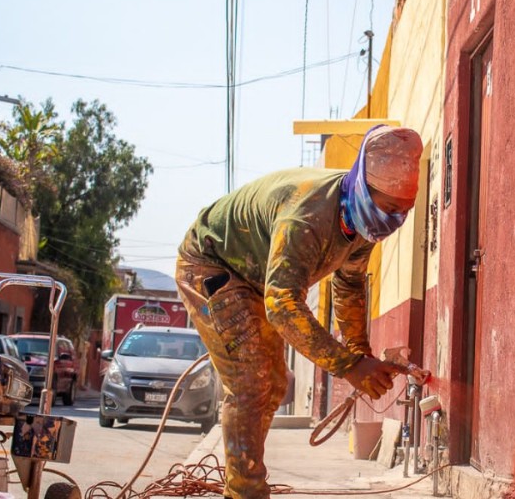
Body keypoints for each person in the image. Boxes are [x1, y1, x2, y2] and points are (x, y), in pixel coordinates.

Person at [175, 125, 422, 499]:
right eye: (388, 208)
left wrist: (361, 354)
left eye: (403, 211)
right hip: (212, 264)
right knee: (251, 380)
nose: (393, 221)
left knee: (274, 382)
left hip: (259, 278)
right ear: (362, 188)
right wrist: (348, 367)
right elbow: (282, 304)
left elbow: (349, 287)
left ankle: (244, 485)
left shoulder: (361, 223)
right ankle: (245, 493)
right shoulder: (307, 218)